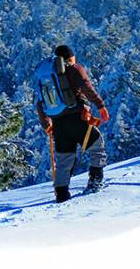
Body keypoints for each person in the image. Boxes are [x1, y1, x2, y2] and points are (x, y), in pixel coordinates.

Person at [36, 44, 110, 203]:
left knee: (64, 159)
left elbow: (39, 103)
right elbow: (87, 86)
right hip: (77, 119)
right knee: (97, 146)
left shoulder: (46, 77)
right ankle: (95, 182)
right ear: (70, 57)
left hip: (58, 125)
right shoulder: (75, 69)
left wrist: (46, 124)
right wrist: (101, 106)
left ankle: (61, 194)